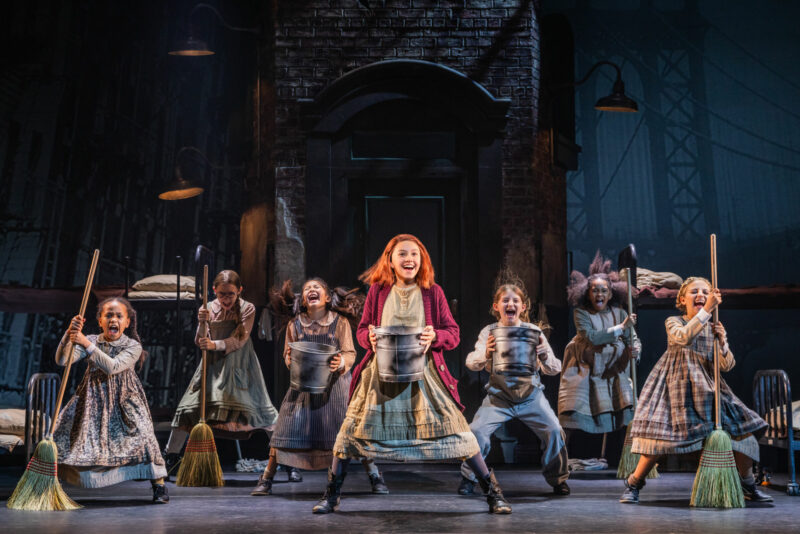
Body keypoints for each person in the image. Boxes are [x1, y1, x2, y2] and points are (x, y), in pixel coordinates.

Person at [313, 234, 511, 514]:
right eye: (402, 254)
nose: (409, 259)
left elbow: (453, 334)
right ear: (390, 261)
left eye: (415, 254)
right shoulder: (378, 291)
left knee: (459, 432)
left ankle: (493, 493)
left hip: (425, 376)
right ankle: (332, 495)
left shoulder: (433, 292)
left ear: (422, 260)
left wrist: (436, 335)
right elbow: (362, 330)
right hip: (380, 376)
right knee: (349, 434)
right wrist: (367, 337)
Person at [620, 277, 771, 504]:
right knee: (658, 442)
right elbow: (682, 338)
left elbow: (726, 366)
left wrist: (723, 343)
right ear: (682, 299)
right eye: (694, 291)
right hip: (675, 387)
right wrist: (707, 310)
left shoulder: (713, 325)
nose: (700, 295)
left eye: (705, 291)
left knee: (745, 434)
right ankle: (634, 483)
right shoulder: (674, 321)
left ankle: (747, 484)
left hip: (708, 389)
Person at [251, 278, 388, 496]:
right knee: (284, 432)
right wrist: (292, 361)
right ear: (303, 301)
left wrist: (340, 362)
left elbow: (349, 352)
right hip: (302, 389)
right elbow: (288, 354)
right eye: (307, 289)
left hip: (335, 389)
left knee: (351, 432)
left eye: (317, 288)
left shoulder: (339, 322)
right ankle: (266, 478)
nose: (312, 290)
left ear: (326, 298)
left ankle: (374, 475)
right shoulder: (295, 325)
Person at [459, 275, 570, 496]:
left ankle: (558, 479)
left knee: (554, 430)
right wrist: (486, 352)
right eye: (505, 301)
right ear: (496, 306)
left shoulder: (533, 332)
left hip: (531, 396)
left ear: (523, 306)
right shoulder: (489, 332)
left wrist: (545, 355)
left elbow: (555, 368)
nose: (510, 304)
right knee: (476, 432)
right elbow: (471, 362)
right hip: (499, 398)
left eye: (515, 301)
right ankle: (469, 478)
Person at [54, 297, 169, 503]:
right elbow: (63, 360)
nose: (113, 319)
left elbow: (113, 366)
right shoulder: (90, 339)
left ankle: (158, 484)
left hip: (125, 400)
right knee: (66, 435)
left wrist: (85, 343)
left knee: (144, 435)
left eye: (118, 316)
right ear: (100, 321)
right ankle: (54, 481)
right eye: (108, 315)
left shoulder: (132, 346)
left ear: (127, 322)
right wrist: (69, 334)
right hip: (93, 400)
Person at [164, 270, 278, 473]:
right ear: (214, 290)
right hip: (212, 365)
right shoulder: (207, 308)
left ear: (239, 291)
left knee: (262, 412)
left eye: (231, 294)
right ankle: (170, 458)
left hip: (240, 363)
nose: (226, 299)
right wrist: (201, 323)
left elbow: (239, 339)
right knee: (187, 409)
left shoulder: (247, 308)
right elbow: (199, 341)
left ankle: (285, 459)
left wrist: (214, 344)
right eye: (222, 294)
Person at [558, 252, 640, 463]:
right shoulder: (582, 313)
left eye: (604, 291)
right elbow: (593, 338)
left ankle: (620, 459)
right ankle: (558, 458)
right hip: (586, 367)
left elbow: (632, 338)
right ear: (588, 293)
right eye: (595, 291)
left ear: (611, 294)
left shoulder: (621, 313)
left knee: (621, 411)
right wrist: (621, 328)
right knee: (574, 413)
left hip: (613, 368)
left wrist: (635, 351)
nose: (600, 295)